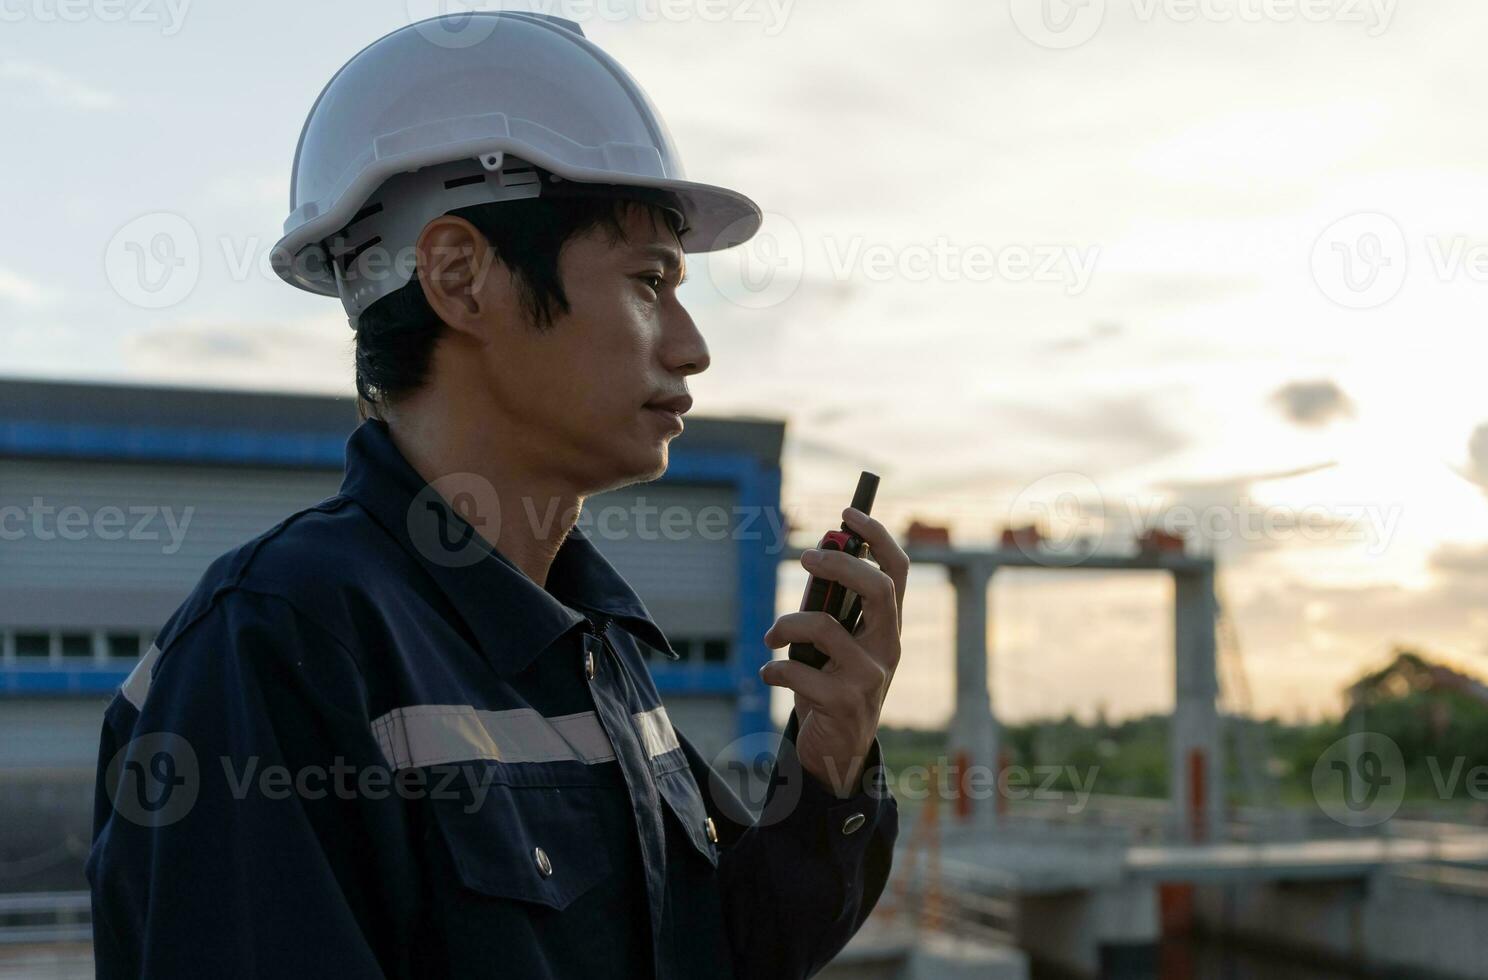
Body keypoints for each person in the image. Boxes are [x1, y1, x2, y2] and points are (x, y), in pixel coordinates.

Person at [85, 13, 902, 978]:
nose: (692, 346)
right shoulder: (281, 643)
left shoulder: (589, 647)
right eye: (650, 281)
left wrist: (828, 763)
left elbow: (728, 952)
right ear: (462, 277)